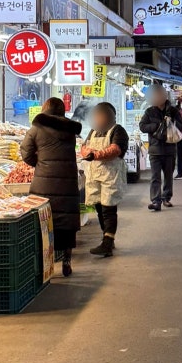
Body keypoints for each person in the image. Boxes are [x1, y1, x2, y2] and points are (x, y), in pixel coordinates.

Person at [21, 97, 82, 277]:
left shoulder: (37, 128)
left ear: (45, 108)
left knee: (44, 220)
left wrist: (41, 164)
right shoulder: (70, 129)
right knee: (67, 221)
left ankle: (44, 265)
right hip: (68, 181)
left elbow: (25, 152)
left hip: (44, 183)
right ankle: (67, 259)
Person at [80, 102, 129, 258]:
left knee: (109, 208)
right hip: (95, 176)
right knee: (99, 207)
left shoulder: (118, 131)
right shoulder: (94, 131)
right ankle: (106, 237)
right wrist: (88, 152)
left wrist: (95, 154)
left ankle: (107, 242)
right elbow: (83, 147)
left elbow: (115, 150)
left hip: (111, 177)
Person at [139, 85, 182, 211]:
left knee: (168, 176)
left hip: (169, 149)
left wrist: (171, 125)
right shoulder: (149, 112)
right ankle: (155, 201)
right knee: (155, 177)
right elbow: (142, 126)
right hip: (155, 150)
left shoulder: (173, 111)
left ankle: (166, 198)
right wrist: (156, 126)